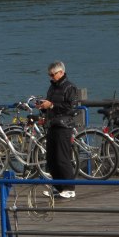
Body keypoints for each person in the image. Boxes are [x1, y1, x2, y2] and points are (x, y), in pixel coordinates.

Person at [37, 61, 78, 199]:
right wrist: (44, 108)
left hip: (64, 126)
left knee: (62, 158)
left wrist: (52, 105)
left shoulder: (70, 87)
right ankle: (59, 187)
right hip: (52, 125)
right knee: (51, 159)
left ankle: (69, 188)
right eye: (49, 75)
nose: (51, 77)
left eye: (53, 74)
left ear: (61, 72)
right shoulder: (52, 87)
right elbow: (50, 105)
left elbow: (70, 108)